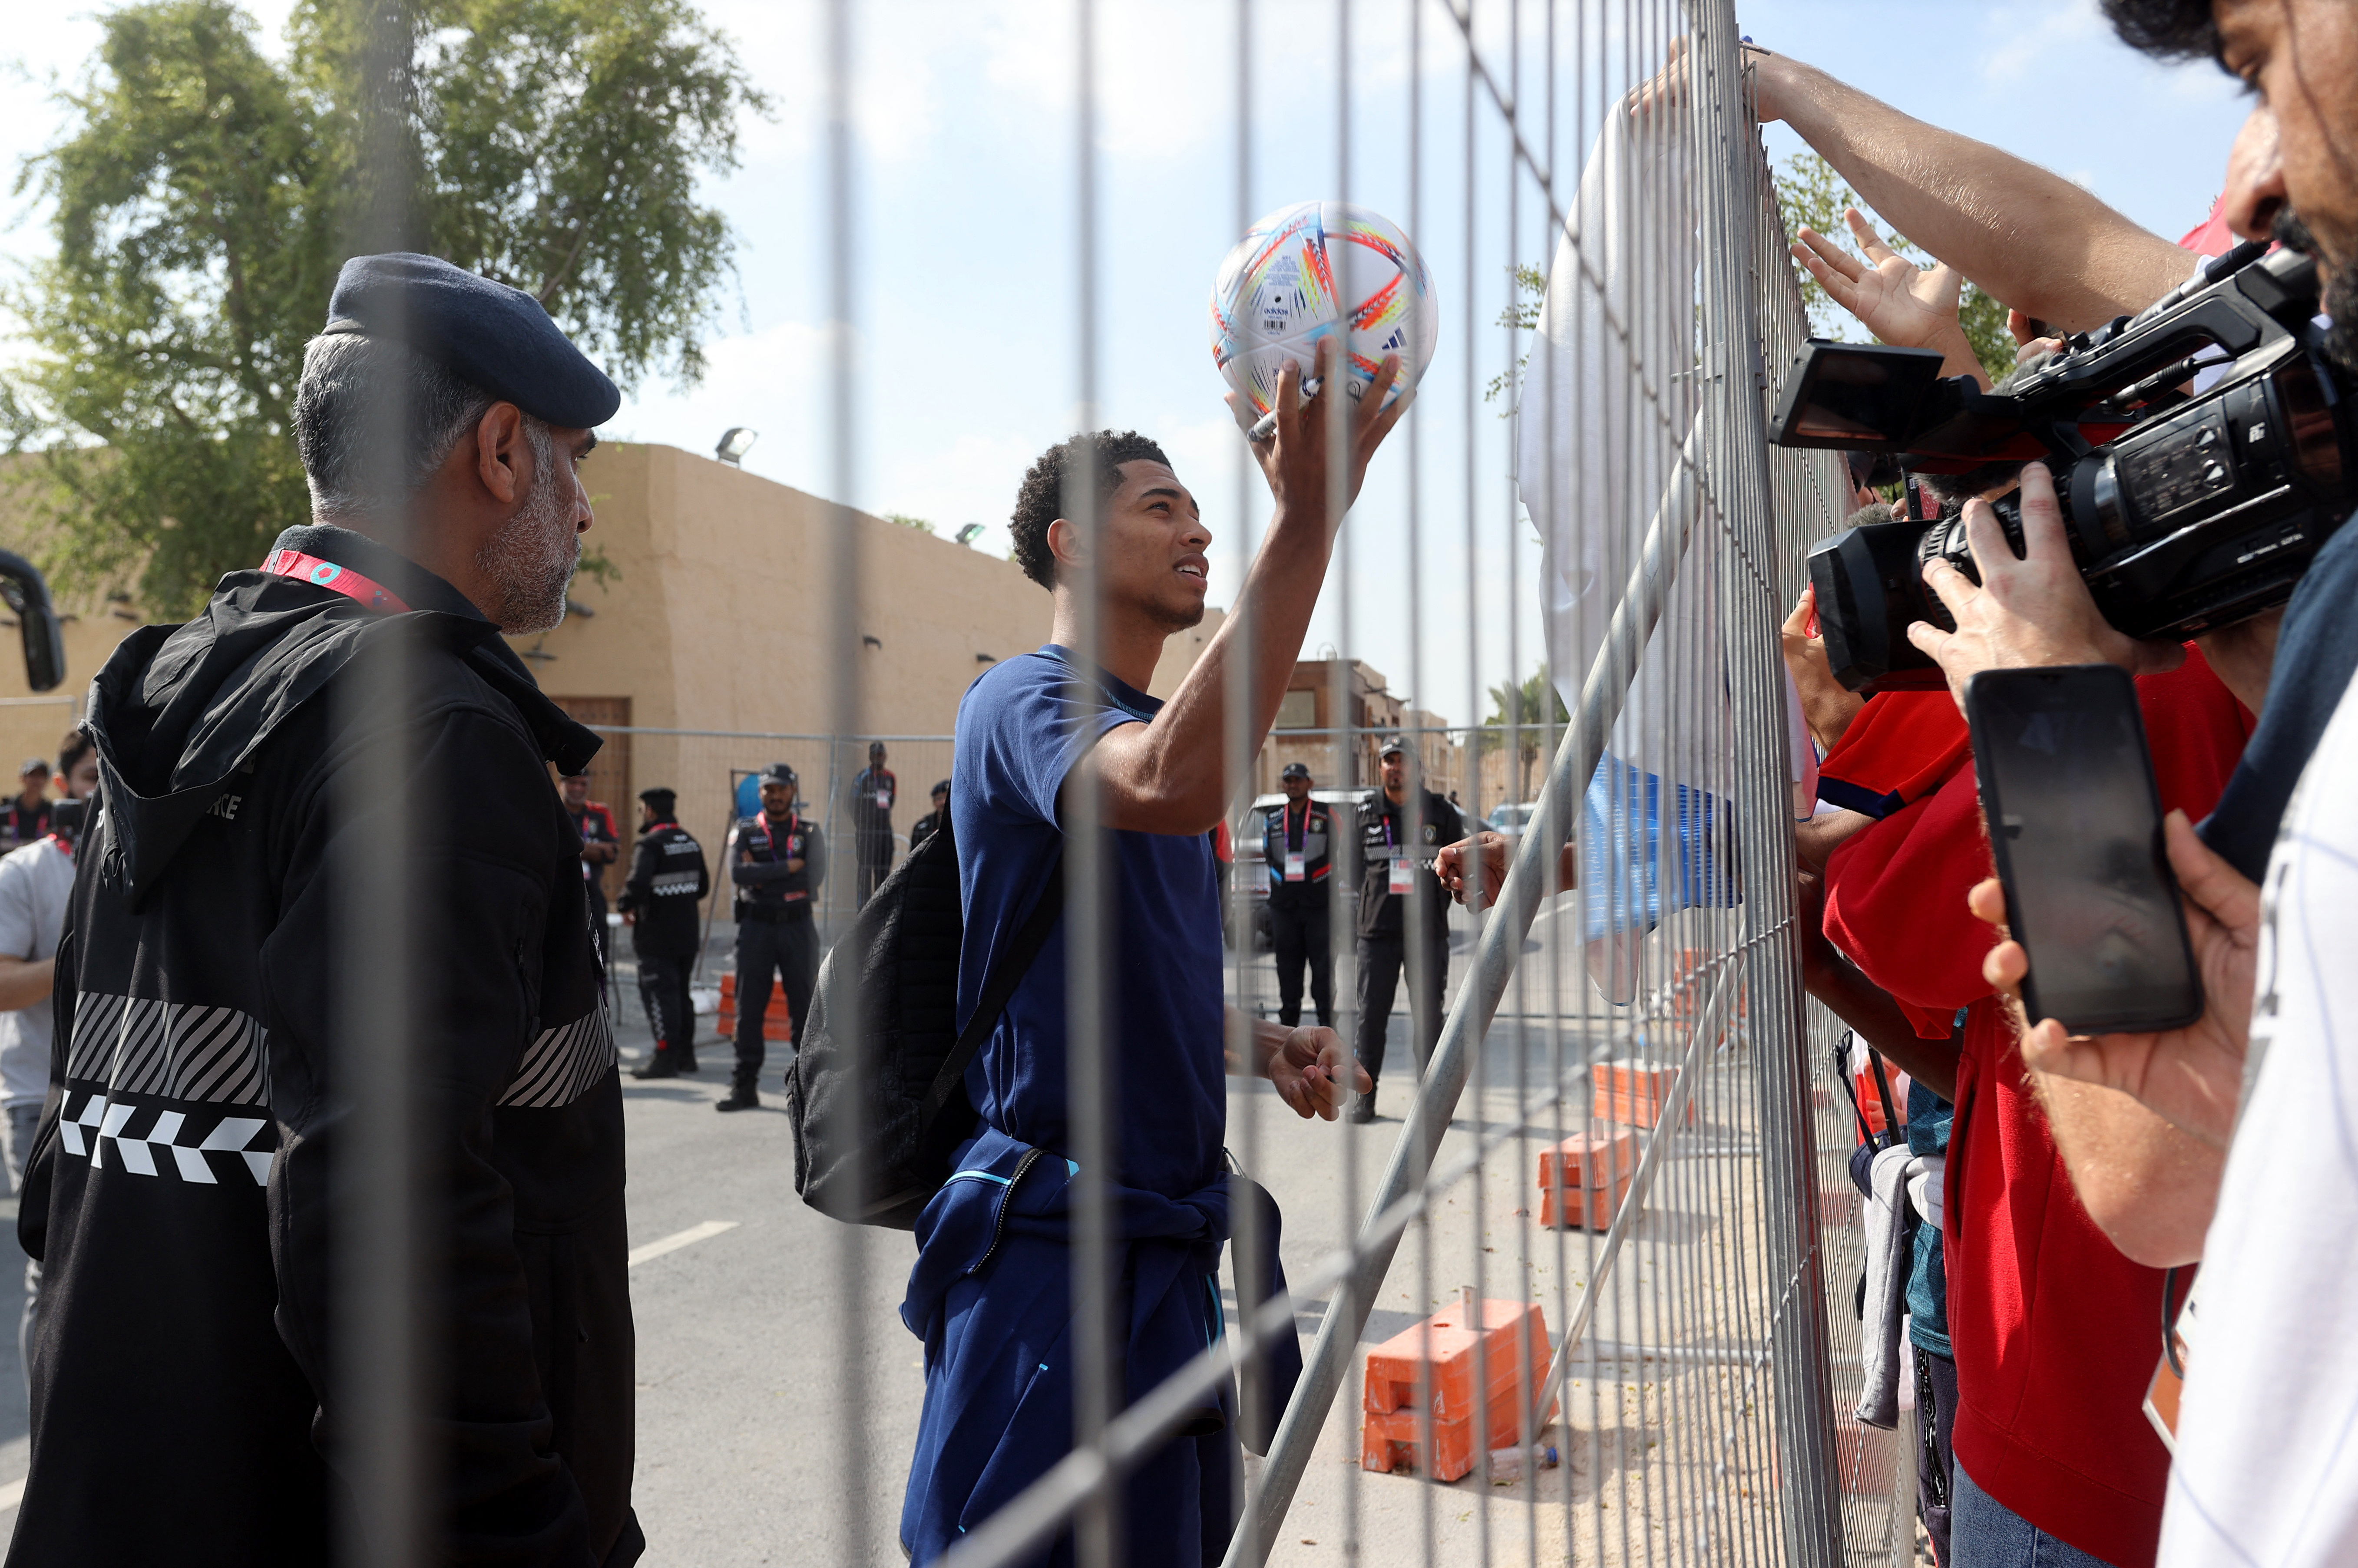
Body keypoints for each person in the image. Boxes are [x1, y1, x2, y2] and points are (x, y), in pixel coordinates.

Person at [9, 251, 639, 1565]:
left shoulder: (171, 689)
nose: (584, 513)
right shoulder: (431, 733)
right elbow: (392, 1227)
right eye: (577, 465)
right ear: (505, 450)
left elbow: (67, 1154)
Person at [1895, 4, 2358, 1562]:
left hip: (2081, 1455)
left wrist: (2038, 713)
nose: (2245, 182)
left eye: (2252, 57)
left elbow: (2152, 1171)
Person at [901, 340, 1400, 1565]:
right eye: (1158, 505)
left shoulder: (1148, 726)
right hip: (1051, 1269)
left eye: (1198, 510)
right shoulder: (1026, 699)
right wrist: (1306, 525)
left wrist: (1264, 1038)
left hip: (1164, 1264)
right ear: (1069, 539)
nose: (1197, 530)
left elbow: (1137, 966)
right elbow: (1171, 783)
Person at [0, 730, 97, 1387]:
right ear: (64, 785)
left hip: (128, 1101)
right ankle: (47, 1447)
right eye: (92, 776)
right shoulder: (27, 870)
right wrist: (90, 953)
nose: (102, 788)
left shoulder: (158, 857)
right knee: (51, 1267)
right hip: (40, 1095)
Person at [1349, 737, 1463, 1124]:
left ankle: (1432, 1103)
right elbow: (1350, 868)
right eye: (1388, 761)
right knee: (1370, 1018)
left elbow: (1455, 872)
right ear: (1380, 767)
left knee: (1429, 1019)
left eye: (1402, 761)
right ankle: (1365, 1098)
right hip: (1376, 933)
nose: (1395, 767)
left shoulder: (1439, 811)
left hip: (1427, 934)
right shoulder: (1364, 811)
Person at [722, 761, 824, 1112]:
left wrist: (762, 874)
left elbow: (813, 878)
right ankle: (744, 1084)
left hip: (798, 927)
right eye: (768, 788)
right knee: (748, 1009)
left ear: (793, 791)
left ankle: (812, 1088)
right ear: (761, 792)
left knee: (805, 1009)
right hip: (756, 927)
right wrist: (787, 868)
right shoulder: (746, 830)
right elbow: (738, 872)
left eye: (781, 788)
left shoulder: (810, 832)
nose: (774, 794)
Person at [620, 786, 709, 1080]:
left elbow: (638, 882)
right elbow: (703, 887)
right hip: (686, 933)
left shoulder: (650, 844)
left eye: (643, 807)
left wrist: (625, 905)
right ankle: (686, 1056)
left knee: (660, 997)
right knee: (681, 995)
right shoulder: (691, 842)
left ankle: (664, 1057)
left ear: (651, 810)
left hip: (656, 936)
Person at [1258, 761, 1337, 1029]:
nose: (1293, 785)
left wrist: (1317, 876)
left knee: (1323, 971)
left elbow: (1339, 855)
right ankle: (1288, 1032)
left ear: (1310, 783)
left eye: (1298, 780)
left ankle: (1327, 1028)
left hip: (1319, 906)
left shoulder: (1326, 815)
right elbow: (1269, 856)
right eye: (1288, 780)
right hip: (1284, 907)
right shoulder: (1273, 819)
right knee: (1288, 970)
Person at [562, 770, 621, 966]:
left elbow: (612, 853)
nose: (578, 789)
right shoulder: (553, 811)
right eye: (573, 783)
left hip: (593, 893)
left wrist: (574, 847)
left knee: (598, 954)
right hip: (559, 892)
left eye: (583, 784)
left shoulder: (600, 812)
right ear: (562, 784)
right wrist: (594, 848)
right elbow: (552, 849)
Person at [850, 739, 896, 907]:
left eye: (881, 755)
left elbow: (891, 803)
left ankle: (881, 908)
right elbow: (851, 804)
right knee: (865, 872)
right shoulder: (861, 777)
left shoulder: (891, 778)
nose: (879, 758)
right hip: (866, 832)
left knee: (883, 871)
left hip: (884, 831)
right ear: (870, 757)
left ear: (885, 756)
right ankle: (862, 911)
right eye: (875, 755)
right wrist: (862, 826)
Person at [0, 761, 48, 853]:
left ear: (46, 781)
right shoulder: (5, 812)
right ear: (22, 779)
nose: (37, 780)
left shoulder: (52, 813)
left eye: (41, 776)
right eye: (32, 775)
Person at [908, 777, 950, 855]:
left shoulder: (960, 825)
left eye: (946, 798)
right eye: (939, 799)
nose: (943, 802)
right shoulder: (922, 827)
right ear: (934, 802)